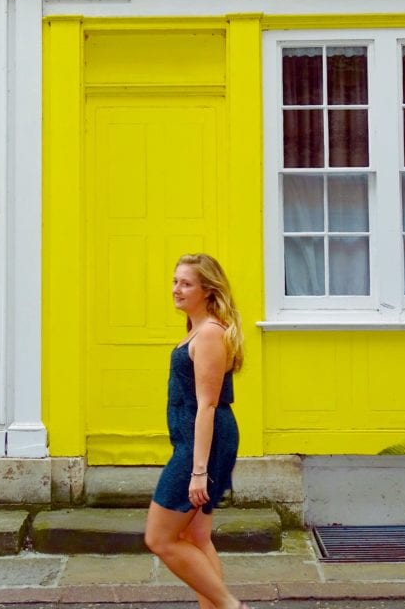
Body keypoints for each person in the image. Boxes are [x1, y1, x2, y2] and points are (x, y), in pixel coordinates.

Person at [144, 253, 249, 609]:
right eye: (175, 281)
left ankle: (230, 606)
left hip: (201, 446)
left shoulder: (208, 334)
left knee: (160, 538)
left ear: (207, 290)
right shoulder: (199, 330)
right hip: (202, 442)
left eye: (186, 283)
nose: (176, 289)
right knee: (196, 535)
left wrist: (198, 471)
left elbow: (207, 405)